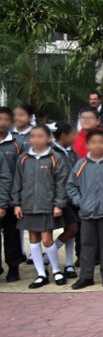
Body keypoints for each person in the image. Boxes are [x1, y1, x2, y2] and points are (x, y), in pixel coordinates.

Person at [66, 129, 103, 290]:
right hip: (86, 212)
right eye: (93, 142)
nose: (97, 145)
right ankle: (86, 276)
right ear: (87, 145)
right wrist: (80, 201)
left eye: (101, 142)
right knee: (87, 244)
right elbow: (71, 186)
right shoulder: (81, 164)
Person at [13, 125, 69, 289]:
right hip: (28, 205)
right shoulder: (23, 158)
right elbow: (17, 182)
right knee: (33, 239)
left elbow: (61, 182)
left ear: (49, 138)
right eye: (33, 137)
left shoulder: (55, 157)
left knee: (47, 239)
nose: (36, 140)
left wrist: (59, 204)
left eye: (40, 136)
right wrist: (16, 204)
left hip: (47, 206)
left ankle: (56, 271)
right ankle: (41, 274)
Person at [51, 123, 79, 281]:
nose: (75, 137)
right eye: (72, 134)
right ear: (63, 136)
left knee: (72, 229)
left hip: (72, 198)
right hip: (59, 198)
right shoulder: (52, 152)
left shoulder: (72, 152)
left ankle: (69, 264)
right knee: (72, 229)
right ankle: (48, 256)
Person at [0, 108, 23, 282]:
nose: (2, 122)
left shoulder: (18, 143)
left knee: (11, 235)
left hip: (12, 197)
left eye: (6, 119)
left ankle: (13, 267)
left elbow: (20, 173)